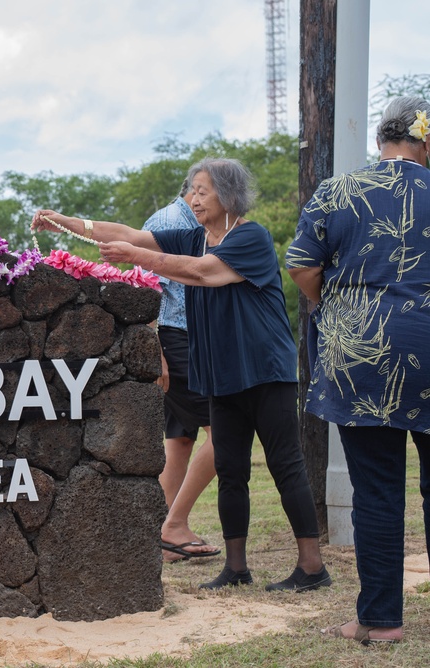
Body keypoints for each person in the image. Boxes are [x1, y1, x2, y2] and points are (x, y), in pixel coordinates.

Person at [32, 157, 330, 592]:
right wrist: (64, 224)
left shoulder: (250, 237)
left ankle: (311, 567)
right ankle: (235, 567)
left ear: (228, 196)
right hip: (221, 374)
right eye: (192, 190)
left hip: (265, 371)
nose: (193, 198)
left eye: (202, 191)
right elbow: (128, 233)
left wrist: (138, 258)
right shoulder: (193, 236)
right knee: (230, 470)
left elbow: (200, 273)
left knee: (285, 466)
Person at [287, 96, 430, 645]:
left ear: (380, 140)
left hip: (362, 355)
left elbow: (301, 265)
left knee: (376, 490)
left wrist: (337, 308)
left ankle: (381, 620)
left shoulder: (338, 190)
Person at [141, 180, 220, 563]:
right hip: (179, 343)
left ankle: (162, 535)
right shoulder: (173, 221)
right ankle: (174, 525)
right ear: (197, 191)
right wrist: (156, 350)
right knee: (225, 432)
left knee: (180, 440)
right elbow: (147, 288)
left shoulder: (191, 222)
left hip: (185, 341)